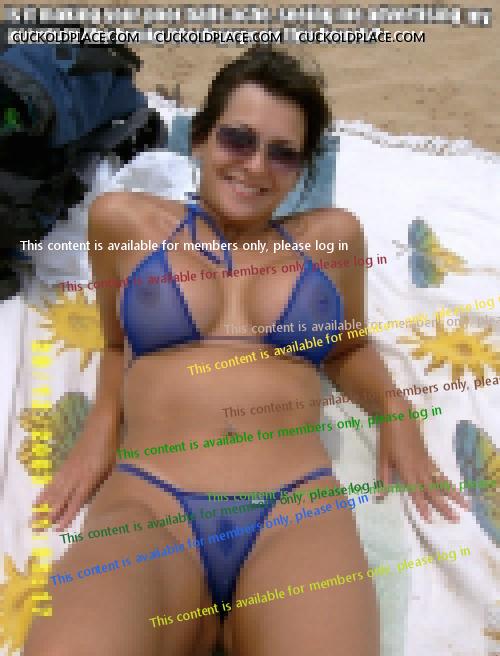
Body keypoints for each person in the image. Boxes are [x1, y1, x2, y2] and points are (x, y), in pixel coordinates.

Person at [25, 45, 466, 656]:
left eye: (284, 153)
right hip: (151, 500)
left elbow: (347, 347)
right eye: (238, 139)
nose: (256, 166)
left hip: (294, 509)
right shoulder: (122, 222)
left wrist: (395, 410)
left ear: (301, 168)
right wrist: (101, 426)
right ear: (199, 138)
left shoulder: (332, 237)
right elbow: (117, 341)